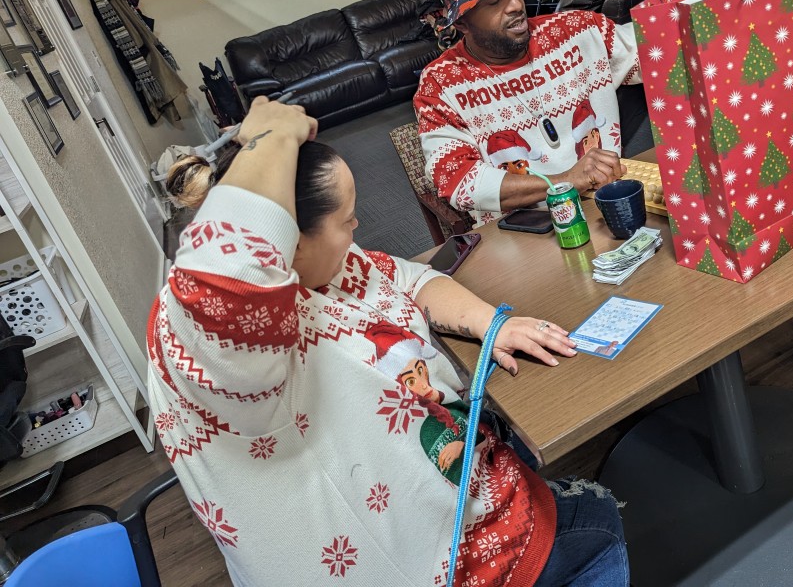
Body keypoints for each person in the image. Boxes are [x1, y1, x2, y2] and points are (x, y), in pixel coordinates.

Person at [149, 97, 629, 586]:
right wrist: (269, 138)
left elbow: (407, 278)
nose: (357, 229)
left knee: (521, 450)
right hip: (406, 562)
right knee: (598, 521)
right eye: (346, 220)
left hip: (435, 488)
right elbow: (227, 285)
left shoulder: (325, 267)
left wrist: (491, 323)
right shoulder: (210, 335)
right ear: (289, 237)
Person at [414, 0, 642, 225]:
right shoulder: (440, 85)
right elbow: (458, 181)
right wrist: (565, 181)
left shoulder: (577, 31)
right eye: (493, 2)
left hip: (609, 204)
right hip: (524, 231)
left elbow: (657, 48)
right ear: (462, 23)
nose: (515, 5)